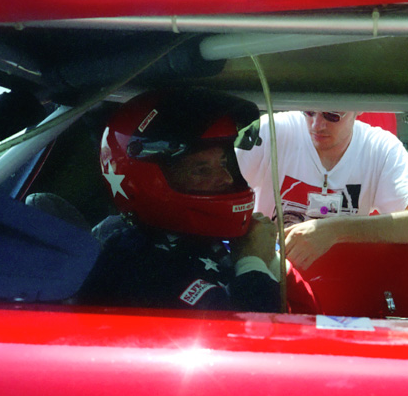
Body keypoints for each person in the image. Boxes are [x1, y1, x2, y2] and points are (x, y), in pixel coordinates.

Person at [77, 88, 285, 312]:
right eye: (202, 170)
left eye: (224, 163)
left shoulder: (191, 238)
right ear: (149, 181)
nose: (226, 179)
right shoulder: (140, 269)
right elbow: (254, 333)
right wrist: (251, 261)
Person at [235, 110, 408, 270]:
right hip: (272, 280)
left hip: (343, 287)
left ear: (358, 110)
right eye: (308, 112)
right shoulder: (270, 131)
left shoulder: (380, 147)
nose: (316, 125)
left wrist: (333, 231)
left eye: (332, 116)